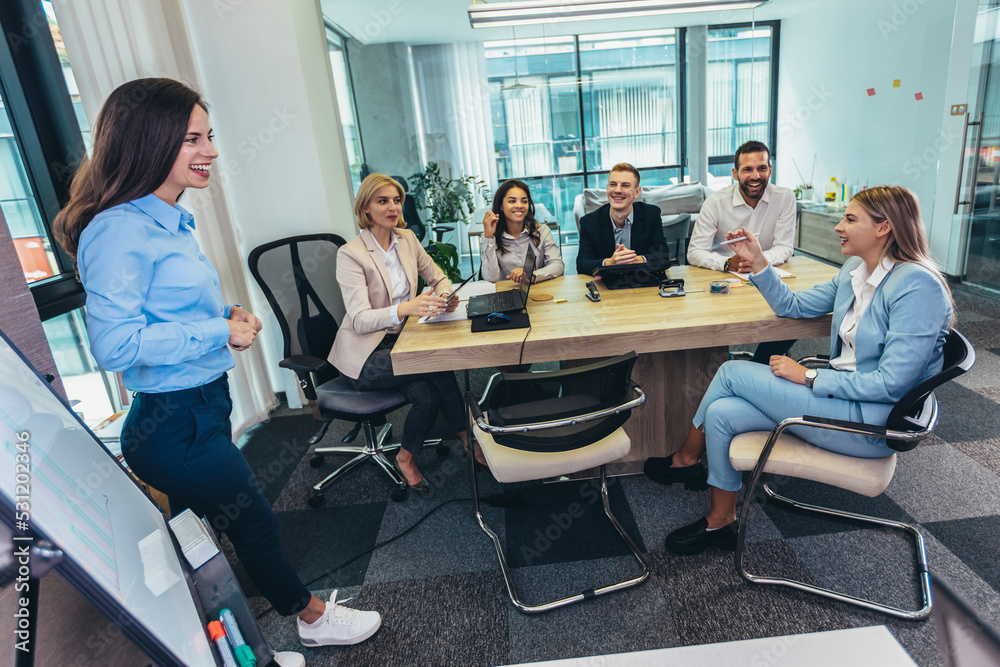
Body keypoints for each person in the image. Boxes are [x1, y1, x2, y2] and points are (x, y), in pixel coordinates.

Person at [53, 79, 380, 661]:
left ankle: (216, 646)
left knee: (197, 548)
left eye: (210, 137)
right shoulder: (119, 229)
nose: (210, 151)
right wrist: (215, 331)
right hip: (172, 424)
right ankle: (311, 619)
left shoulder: (166, 218)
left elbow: (163, 312)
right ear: (148, 142)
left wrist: (224, 315)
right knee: (252, 521)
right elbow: (114, 345)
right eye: (191, 140)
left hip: (201, 408)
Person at [644, 185, 953, 555]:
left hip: (870, 423)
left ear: (884, 227)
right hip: (840, 399)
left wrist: (808, 375)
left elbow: (892, 384)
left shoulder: (917, 286)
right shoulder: (857, 269)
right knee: (722, 412)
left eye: (850, 219)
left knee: (730, 373)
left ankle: (685, 459)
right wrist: (759, 262)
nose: (839, 226)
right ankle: (720, 520)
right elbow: (793, 305)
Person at [329, 173, 486, 488]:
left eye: (397, 200)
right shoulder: (351, 254)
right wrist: (405, 308)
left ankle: (405, 456)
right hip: (366, 358)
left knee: (428, 395)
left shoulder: (407, 239)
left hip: (403, 343)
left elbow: (438, 277)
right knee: (436, 366)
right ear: (366, 208)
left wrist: (445, 296)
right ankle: (469, 437)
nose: (392, 207)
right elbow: (359, 319)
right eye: (382, 201)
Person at [687, 141, 798, 363]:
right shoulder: (716, 202)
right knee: (716, 331)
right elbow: (694, 251)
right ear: (735, 173)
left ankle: (759, 366)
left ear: (770, 170)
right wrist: (728, 263)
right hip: (724, 281)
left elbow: (785, 247)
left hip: (768, 275)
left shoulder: (784, 197)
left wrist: (759, 260)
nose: (755, 175)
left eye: (762, 168)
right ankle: (724, 366)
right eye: (747, 169)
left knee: (793, 315)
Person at [576, 163, 668, 275]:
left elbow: (663, 256)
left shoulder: (651, 214)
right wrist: (610, 262)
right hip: (605, 286)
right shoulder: (589, 222)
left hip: (642, 283)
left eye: (625, 185)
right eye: (613, 184)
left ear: (637, 192)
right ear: (607, 188)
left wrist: (634, 259)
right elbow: (582, 264)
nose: (617, 190)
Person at [480, 179, 564, 283]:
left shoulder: (541, 231)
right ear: (501, 206)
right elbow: (490, 278)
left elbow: (558, 265)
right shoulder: (490, 237)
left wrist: (531, 275)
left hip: (536, 292)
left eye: (524, 201)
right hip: (505, 294)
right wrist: (488, 237)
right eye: (512, 201)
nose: (519, 206)